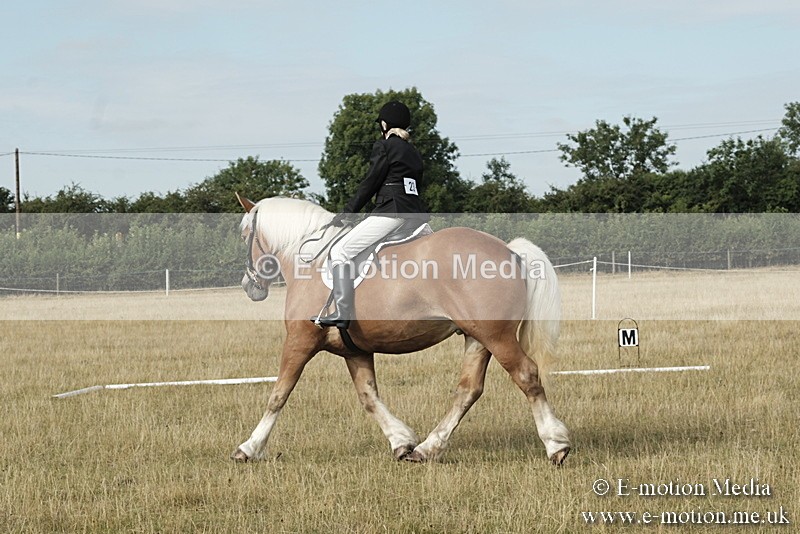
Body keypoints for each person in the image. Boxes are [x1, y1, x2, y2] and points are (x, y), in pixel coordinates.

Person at [312, 101, 430, 329]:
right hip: (416, 216)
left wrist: (348, 211)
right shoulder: (414, 152)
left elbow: (370, 183)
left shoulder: (384, 146)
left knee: (340, 251)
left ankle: (342, 312)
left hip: (392, 212)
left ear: (385, 124)